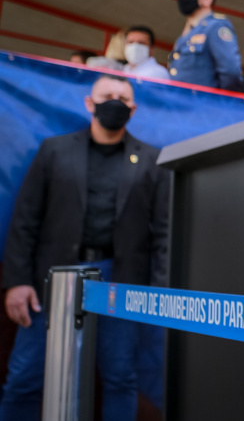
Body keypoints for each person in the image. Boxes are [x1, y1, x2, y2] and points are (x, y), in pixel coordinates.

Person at [1, 75, 169, 421]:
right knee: (24, 378)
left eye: (123, 97)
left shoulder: (152, 160)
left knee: (120, 377)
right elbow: (25, 220)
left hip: (120, 281)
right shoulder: (54, 150)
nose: (115, 102)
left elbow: (164, 233)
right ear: (89, 103)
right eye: (107, 95)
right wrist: (17, 282)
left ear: (133, 109)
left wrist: (159, 291)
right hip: (51, 277)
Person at [167, 0, 242, 90]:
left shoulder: (216, 26)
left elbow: (230, 72)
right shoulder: (187, 32)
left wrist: (215, 100)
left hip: (203, 102)